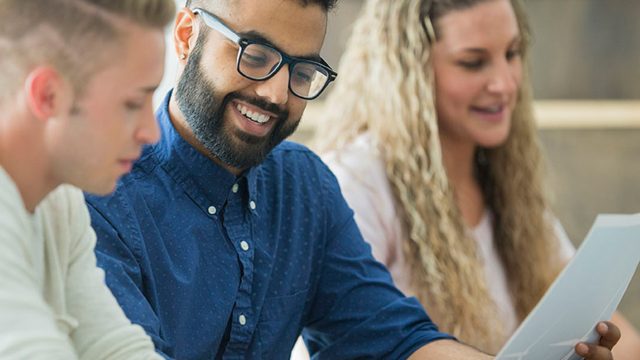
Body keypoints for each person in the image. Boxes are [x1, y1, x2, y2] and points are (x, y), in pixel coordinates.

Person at [86, 0, 620, 359]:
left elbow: (398, 340)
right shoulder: (101, 197)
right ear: (186, 36)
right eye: (255, 55)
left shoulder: (304, 189)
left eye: (300, 71)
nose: (275, 93)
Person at [316, 0, 640, 358]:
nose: (504, 84)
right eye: (473, 63)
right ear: (409, 68)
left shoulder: (506, 184)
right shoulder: (355, 182)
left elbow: (623, 339)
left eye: (513, 53)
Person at [0, 0, 175, 358]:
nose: (151, 132)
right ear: (48, 95)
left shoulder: (59, 201)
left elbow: (112, 347)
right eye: (131, 104)